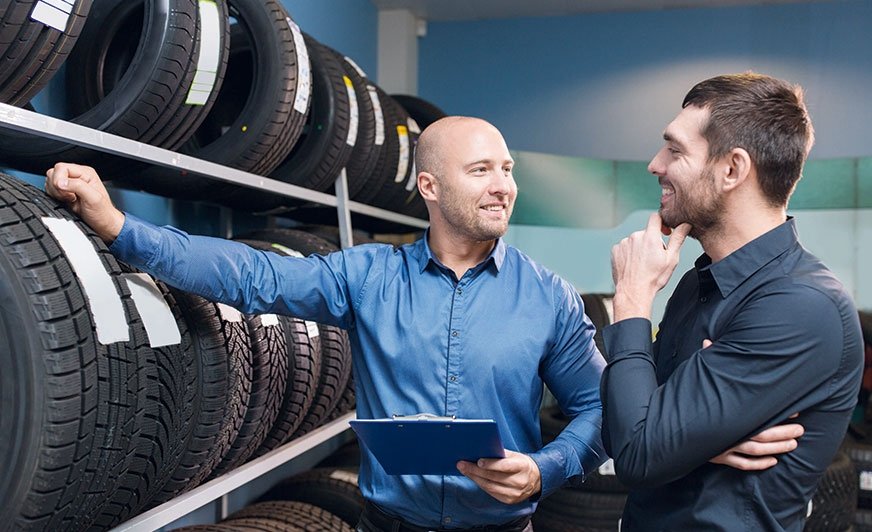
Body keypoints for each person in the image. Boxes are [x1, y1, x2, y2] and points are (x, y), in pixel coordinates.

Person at [44, 116, 607, 531]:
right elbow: (251, 275)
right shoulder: (368, 277)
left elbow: (601, 408)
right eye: (481, 170)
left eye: (506, 170)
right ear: (430, 187)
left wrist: (545, 467)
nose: (502, 185)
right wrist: (119, 225)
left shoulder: (548, 296)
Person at [602, 72, 863, 531]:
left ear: (732, 170)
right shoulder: (695, 284)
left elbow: (637, 452)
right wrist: (695, 436)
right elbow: (626, 425)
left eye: (675, 149)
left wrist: (631, 298)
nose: (655, 164)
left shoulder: (801, 305)